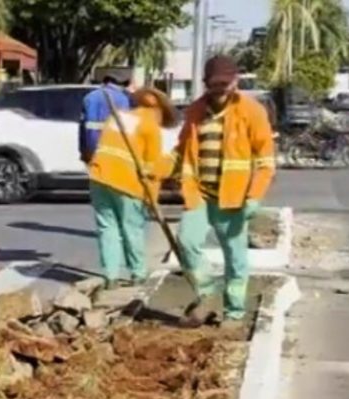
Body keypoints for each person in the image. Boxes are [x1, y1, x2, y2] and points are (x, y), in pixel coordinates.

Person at [175, 55, 276, 329]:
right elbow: (182, 150)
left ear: (235, 81)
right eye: (214, 83)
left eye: (225, 83)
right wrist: (154, 171)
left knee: (235, 255)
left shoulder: (251, 111)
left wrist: (254, 197)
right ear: (205, 83)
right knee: (186, 241)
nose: (220, 88)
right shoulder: (195, 111)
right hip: (199, 194)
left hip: (233, 198)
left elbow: (266, 162)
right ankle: (207, 292)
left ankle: (234, 311)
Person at [86, 87, 177, 288]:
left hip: (99, 176)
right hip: (126, 183)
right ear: (158, 111)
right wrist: (151, 199)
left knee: (107, 228)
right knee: (132, 229)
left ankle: (111, 276)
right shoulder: (150, 126)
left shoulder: (117, 117)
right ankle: (137, 273)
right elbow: (152, 170)